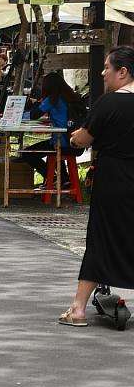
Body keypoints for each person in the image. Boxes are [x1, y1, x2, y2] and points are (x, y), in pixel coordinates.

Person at [59, 46, 134, 327]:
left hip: (113, 179)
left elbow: (84, 138)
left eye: (107, 68)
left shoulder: (108, 103)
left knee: (101, 239)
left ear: (123, 72)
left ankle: (78, 309)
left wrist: (76, 137)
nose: (103, 73)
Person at [16, 72, 84, 185]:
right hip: (76, 142)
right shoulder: (72, 97)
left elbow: (33, 116)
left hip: (62, 143)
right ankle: (64, 179)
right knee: (54, 147)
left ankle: (51, 177)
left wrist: (17, 114)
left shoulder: (52, 99)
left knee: (27, 153)